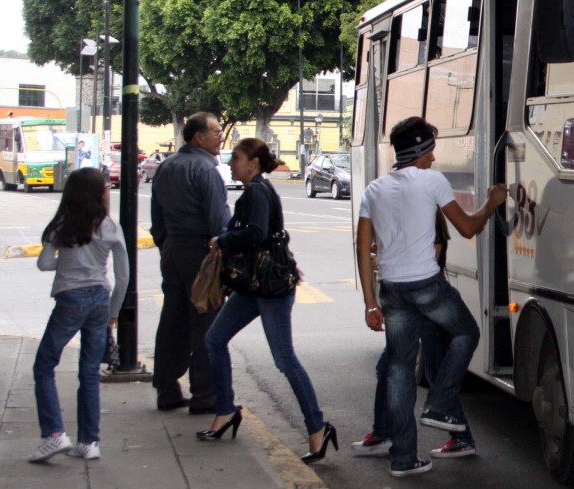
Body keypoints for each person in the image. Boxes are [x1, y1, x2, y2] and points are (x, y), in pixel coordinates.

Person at [354, 116, 506, 477]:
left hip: (391, 289)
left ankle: (404, 459)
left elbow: (362, 249)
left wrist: (370, 303)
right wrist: (491, 203)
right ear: (420, 151)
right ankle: (440, 404)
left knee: (399, 371)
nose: (435, 159)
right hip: (425, 284)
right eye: (431, 151)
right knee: (467, 333)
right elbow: (468, 228)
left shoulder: (374, 190)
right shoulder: (432, 181)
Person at [200, 138, 336, 464]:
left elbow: (258, 233)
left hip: (270, 288)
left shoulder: (257, 192)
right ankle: (225, 410)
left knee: (285, 360)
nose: (231, 162)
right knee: (215, 339)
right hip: (254, 286)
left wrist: (222, 239)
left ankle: (317, 428)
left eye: (236, 157)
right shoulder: (254, 190)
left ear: (254, 163)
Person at [353, 212, 478, 460]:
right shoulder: (416, 220)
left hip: (429, 307)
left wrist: (386, 261)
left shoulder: (429, 220)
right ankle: (385, 433)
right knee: (401, 369)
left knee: (421, 370)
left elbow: (429, 261)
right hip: (415, 305)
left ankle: (458, 438)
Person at [28, 168, 129, 462]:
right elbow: (123, 277)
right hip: (99, 299)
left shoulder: (62, 224)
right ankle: (89, 442)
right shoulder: (111, 228)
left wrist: (68, 260)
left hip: (70, 299)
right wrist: (114, 311)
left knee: (45, 364)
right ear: (99, 195)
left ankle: (54, 434)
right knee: (89, 371)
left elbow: (45, 264)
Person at [149, 113, 231, 414]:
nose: (221, 136)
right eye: (216, 131)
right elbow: (218, 222)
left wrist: (165, 245)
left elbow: (156, 218)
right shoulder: (205, 170)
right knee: (206, 324)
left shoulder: (167, 166)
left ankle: (167, 389)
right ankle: (205, 395)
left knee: (172, 320)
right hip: (200, 254)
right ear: (199, 137)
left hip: (172, 251)